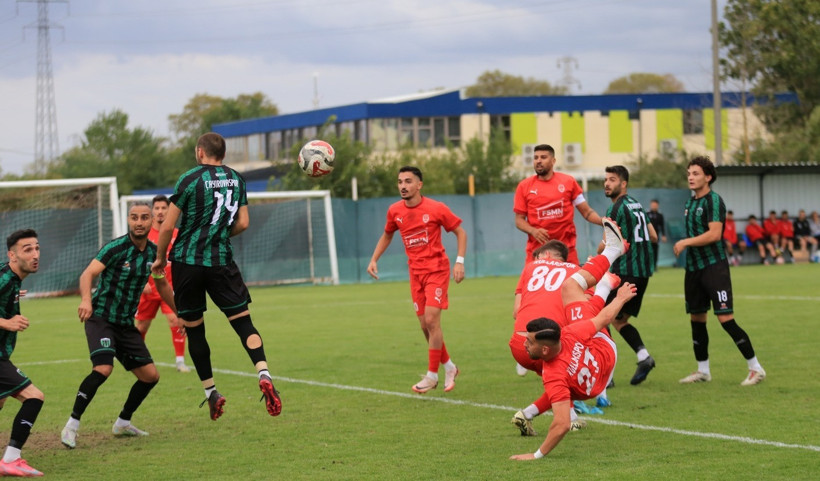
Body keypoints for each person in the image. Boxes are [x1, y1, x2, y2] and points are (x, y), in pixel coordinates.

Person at [153, 132, 282, 420]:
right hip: (221, 261)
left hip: (188, 261)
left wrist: (160, 259)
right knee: (243, 322)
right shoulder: (237, 179)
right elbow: (244, 222)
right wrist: (220, 234)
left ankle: (211, 392)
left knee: (195, 328)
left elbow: (165, 228)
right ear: (222, 153)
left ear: (200, 152)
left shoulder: (190, 178)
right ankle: (263, 372)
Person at [61, 204, 175, 449]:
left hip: (125, 324)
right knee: (103, 368)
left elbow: (162, 285)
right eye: (134, 218)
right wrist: (85, 300)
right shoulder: (115, 248)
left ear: (152, 220)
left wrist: (181, 313)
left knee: (150, 377)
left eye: (144, 217)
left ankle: (123, 422)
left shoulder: (155, 253)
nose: (139, 222)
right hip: (101, 318)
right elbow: (87, 274)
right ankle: (72, 425)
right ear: (128, 220)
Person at [509, 221, 627, 437]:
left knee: (559, 378)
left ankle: (530, 414)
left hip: (520, 345)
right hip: (552, 344)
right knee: (571, 362)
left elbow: (517, 311)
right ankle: (608, 269)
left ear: (544, 257)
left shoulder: (531, 267)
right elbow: (588, 309)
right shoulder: (575, 271)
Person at [509, 281, 638, 461]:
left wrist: (535, 455)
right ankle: (602, 285)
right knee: (574, 294)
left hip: (593, 382)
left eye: (529, 342)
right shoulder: (569, 333)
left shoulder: (553, 375)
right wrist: (621, 298)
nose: (525, 344)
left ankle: (605, 283)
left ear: (545, 350)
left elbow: (562, 424)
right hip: (606, 355)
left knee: (570, 288)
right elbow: (605, 318)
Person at [367, 166, 466, 393]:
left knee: (432, 320)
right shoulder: (394, 211)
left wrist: (460, 261)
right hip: (415, 273)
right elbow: (388, 234)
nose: (403, 186)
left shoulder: (436, 208)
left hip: (437, 270)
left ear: (419, 185)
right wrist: (374, 259)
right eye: (400, 182)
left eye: (408, 181)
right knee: (425, 326)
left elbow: (461, 232)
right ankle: (450, 366)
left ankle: (432, 376)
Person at [673, 156, 766, 386]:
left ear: (708, 177)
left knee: (725, 318)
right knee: (697, 317)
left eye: (695, 173)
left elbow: (715, 234)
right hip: (693, 269)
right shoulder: (689, 203)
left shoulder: (714, 201)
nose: (691, 177)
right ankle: (703, 370)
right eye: (689, 173)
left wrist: (685, 242)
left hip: (714, 267)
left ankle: (756, 367)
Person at [602, 165, 657, 385]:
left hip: (625, 271)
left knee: (600, 315)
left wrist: (596, 257)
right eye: (606, 179)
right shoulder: (638, 205)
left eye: (612, 180)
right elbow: (652, 236)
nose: (607, 183)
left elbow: (607, 244)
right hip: (643, 272)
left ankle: (606, 375)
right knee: (619, 319)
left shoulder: (614, 210)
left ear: (623, 184)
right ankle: (644, 357)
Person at [0, 230, 45, 476]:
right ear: (12, 255)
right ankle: (11, 459)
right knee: (34, 397)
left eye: (37, 248)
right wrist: (6, 322)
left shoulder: (11, 278)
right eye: (27, 250)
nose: (35, 254)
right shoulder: (5, 279)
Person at [513, 144, 602, 265]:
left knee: (577, 283)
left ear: (553, 160)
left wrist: (603, 222)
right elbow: (519, 220)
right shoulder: (524, 186)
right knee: (528, 284)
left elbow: (586, 212)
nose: (538, 161)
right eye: (536, 158)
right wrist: (533, 231)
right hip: (538, 253)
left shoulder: (568, 182)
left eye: (543, 157)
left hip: (566, 252)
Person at [134, 195, 190, 373]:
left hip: (170, 289)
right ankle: (136, 358)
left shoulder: (177, 234)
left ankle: (180, 361)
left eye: (163, 208)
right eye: (156, 208)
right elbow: (134, 261)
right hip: (149, 289)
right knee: (142, 326)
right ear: (152, 211)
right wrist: (142, 284)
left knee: (175, 320)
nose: (160, 212)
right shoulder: (145, 234)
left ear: (169, 210)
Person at [647, 199, 666, 269]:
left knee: (655, 252)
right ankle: (648, 266)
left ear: (657, 206)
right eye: (652, 205)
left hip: (656, 237)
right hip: (648, 237)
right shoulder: (647, 214)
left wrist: (663, 235)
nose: (654, 206)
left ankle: (654, 266)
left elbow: (662, 226)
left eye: (655, 205)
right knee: (648, 252)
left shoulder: (660, 215)